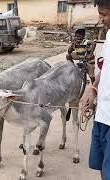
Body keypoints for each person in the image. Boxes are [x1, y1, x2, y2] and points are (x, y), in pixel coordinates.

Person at [84, 0, 110, 179]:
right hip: (101, 115)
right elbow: (105, 68)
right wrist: (93, 88)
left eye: (105, 14)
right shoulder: (109, 36)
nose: (101, 20)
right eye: (100, 15)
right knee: (101, 164)